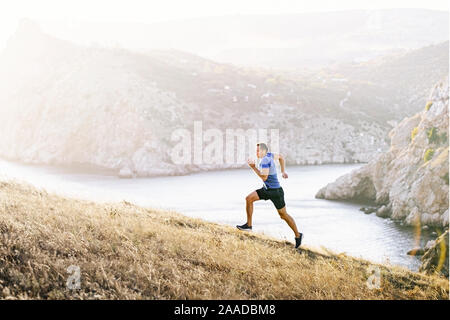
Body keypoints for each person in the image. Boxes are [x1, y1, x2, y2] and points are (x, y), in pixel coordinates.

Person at [236, 143, 303, 249]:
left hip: (275, 192)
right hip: (267, 190)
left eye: (258, 151)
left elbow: (264, 177)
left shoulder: (264, 161)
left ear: (263, 151)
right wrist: (283, 171)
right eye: (256, 150)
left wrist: (253, 167)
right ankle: (248, 225)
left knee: (283, 215)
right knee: (249, 198)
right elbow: (281, 157)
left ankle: (298, 235)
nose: (256, 153)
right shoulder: (270, 155)